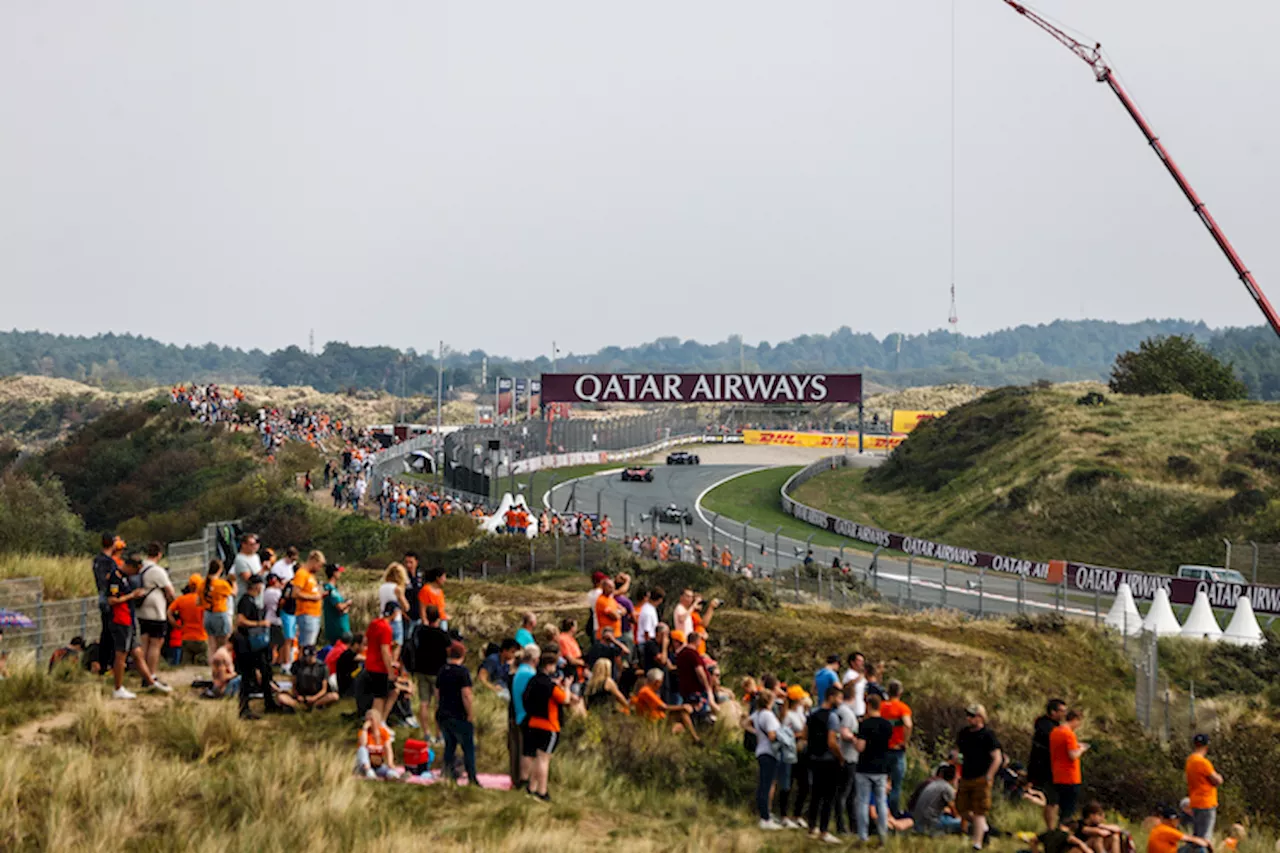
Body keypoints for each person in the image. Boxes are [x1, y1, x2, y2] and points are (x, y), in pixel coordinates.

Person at [105, 556, 171, 699]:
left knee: (138, 653)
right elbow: (111, 600)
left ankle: (150, 682)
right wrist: (131, 596)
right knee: (121, 654)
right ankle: (118, 688)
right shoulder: (115, 577)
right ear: (130, 566)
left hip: (129, 619)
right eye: (136, 571)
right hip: (120, 620)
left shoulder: (124, 577)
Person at [523, 651, 569, 802]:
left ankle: (532, 786)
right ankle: (542, 791)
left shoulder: (532, 681)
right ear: (549, 665)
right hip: (549, 725)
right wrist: (566, 686)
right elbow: (564, 699)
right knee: (544, 759)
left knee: (537, 757)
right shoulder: (550, 685)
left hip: (533, 722)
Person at [956, 704, 1003, 851]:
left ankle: (977, 843)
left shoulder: (988, 735)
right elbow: (958, 752)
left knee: (979, 810)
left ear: (980, 717)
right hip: (966, 776)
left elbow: (997, 758)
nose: (969, 719)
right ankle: (984, 828)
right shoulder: (963, 733)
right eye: (968, 716)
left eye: (972, 716)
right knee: (962, 808)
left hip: (981, 777)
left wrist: (989, 776)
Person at [234, 574, 278, 719]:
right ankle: (244, 708)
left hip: (256, 644)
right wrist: (260, 624)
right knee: (247, 676)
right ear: (257, 586)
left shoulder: (252, 601)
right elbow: (240, 621)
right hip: (247, 644)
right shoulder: (246, 601)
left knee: (265, 672)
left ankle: (269, 702)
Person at [436, 641, 480, 787]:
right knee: (468, 747)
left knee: (450, 745)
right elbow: (466, 694)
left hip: (443, 714)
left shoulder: (442, 670)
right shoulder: (463, 672)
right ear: (462, 655)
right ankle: (472, 777)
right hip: (459, 714)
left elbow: (437, 693)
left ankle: (447, 773)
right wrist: (470, 713)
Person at [806, 685, 846, 844]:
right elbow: (832, 742)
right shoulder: (833, 717)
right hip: (829, 760)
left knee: (815, 795)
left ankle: (811, 827)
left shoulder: (812, 714)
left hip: (813, 758)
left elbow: (804, 734)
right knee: (828, 797)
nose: (840, 701)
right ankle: (824, 830)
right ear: (831, 697)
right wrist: (840, 757)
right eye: (839, 698)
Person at [855, 693, 894, 843]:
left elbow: (860, 747)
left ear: (868, 705)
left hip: (865, 767)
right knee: (881, 802)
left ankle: (863, 836)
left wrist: (854, 740)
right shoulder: (887, 725)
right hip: (882, 768)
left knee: (863, 802)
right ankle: (883, 835)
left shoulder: (865, 725)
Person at [135, 542, 176, 677]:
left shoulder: (140, 567)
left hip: (141, 610)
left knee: (144, 641)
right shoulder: (158, 571)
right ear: (159, 554)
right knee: (156, 643)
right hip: (156, 611)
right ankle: (151, 674)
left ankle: (143, 672)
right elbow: (170, 591)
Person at [746, 690, 784, 830]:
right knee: (766, 785)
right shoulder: (768, 715)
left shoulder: (757, 714)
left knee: (763, 783)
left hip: (761, 750)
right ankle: (765, 818)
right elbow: (772, 735)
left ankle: (764, 814)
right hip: (769, 751)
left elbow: (745, 722)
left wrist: (755, 732)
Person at [412, 605, 451, 742]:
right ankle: (439, 733)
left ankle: (426, 732)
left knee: (424, 702)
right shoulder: (442, 634)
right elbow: (449, 650)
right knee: (439, 704)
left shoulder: (420, 631)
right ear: (438, 618)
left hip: (421, 669)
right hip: (437, 672)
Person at [631, 669, 700, 744]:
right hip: (653, 720)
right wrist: (683, 707)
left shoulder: (649, 691)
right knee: (682, 713)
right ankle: (695, 739)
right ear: (657, 682)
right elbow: (663, 707)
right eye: (661, 682)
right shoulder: (646, 691)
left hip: (657, 718)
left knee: (681, 724)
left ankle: (687, 740)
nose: (661, 685)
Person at [1031, 699, 1068, 829]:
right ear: (1053, 712)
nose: (1064, 714)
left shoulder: (1052, 726)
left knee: (1054, 800)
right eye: (1062, 711)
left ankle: (1054, 827)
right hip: (1046, 768)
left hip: (1053, 767)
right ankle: (1051, 829)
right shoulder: (1046, 727)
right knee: (1051, 800)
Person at [777, 685, 810, 829]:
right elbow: (785, 733)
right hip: (792, 751)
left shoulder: (800, 712)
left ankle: (797, 814)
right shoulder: (788, 715)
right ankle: (784, 815)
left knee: (804, 784)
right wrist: (801, 734)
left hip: (803, 752)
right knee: (788, 783)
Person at [882, 678, 913, 817]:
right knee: (896, 785)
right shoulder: (903, 708)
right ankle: (893, 814)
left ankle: (880, 813)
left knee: (881, 785)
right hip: (896, 749)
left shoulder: (881, 706)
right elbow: (908, 724)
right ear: (900, 692)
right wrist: (905, 741)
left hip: (881, 749)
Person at [1051, 711, 1089, 824]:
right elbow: (1073, 755)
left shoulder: (1055, 731)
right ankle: (1064, 831)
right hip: (1070, 776)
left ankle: (1058, 829)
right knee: (1068, 809)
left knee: (1061, 806)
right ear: (1075, 719)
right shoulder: (1069, 734)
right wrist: (1082, 749)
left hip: (1057, 774)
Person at [1185, 734, 1223, 849]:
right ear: (1206, 746)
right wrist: (1219, 777)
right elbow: (1216, 780)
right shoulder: (1203, 763)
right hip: (1206, 802)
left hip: (1195, 801)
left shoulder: (1190, 760)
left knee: (1196, 837)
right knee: (1205, 838)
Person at [276, 645, 340, 711]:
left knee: (334, 696)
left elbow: (324, 689)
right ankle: (298, 706)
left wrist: (314, 698)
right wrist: (298, 696)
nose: (310, 658)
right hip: (301, 695)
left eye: (312, 656)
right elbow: (294, 685)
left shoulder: (322, 667)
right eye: (308, 656)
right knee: (281, 697)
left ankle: (315, 705)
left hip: (317, 695)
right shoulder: (297, 665)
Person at [833, 680, 860, 836]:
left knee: (848, 794)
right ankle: (842, 827)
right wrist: (856, 739)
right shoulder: (848, 713)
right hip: (848, 757)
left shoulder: (838, 711)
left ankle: (852, 825)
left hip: (840, 756)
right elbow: (844, 733)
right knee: (845, 794)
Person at [510, 644, 539, 789]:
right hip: (527, 714)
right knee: (529, 751)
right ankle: (525, 779)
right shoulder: (529, 674)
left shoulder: (520, 671)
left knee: (523, 749)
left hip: (520, 713)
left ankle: (522, 779)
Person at [92, 533, 121, 675]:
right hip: (109, 598)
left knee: (106, 631)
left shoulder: (97, 560)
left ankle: (104, 663)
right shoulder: (108, 562)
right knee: (111, 632)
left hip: (102, 596)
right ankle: (108, 663)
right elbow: (111, 580)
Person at [364, 601, 398, 720]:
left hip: (369, 663)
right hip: (379, 667)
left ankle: (380, 721)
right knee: (380, 697)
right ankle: (375, 724)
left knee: (391, 691)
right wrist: (390, 671)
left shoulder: (374, 623)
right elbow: (385, 651)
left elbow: (366, 640)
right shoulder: (386, 628)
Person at [674, 630, 717, 721]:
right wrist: (707, 688)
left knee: (690, 712)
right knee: (700, 713)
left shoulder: (681, 654)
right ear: (697, 641)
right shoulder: (693, 654)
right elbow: (700, 672)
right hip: (696, 690)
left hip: (685, 689)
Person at [200, 558, 236, 664]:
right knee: (224, 643)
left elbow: (198, 601)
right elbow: (233, 593)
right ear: (220, 570)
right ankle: (224, 663)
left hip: (207, 614)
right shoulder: (222, 584)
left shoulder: (202, 584)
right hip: (220, 614)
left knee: (211, 643)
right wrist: (233, 582)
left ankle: (213, 664)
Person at [912, 764, 962, 835]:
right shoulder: (947, 788)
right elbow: (955, 812)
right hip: (931, 824)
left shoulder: (933, 784)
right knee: (963, 823)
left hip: (918, 822)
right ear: (954, 778)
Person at [356, 707, 403, 780]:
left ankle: (395, 776)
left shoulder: (383, 732)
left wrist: (390, 763)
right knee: (362, 749)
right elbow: (363, 744)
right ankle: (368, 771)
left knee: (388, 771)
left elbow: (388, 748)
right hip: (364, 765)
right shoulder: (363, 733)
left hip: (377, 764)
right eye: (367, 720)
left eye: (371, 719)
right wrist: (365, 728)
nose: (369, 722)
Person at [167, 580, 208, 665]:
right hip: (202, 637)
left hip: (186, 638)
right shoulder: (203, 599)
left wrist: (175, 624)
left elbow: (169, 612)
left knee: (186, 667)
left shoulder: (181, 599)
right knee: (203, 665)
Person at [291, 551, 325, 650]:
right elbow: (295, 593)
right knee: (306, 644)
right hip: (306, 613)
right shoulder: (301, 574)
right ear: (314, 561)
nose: (319, 568)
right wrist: (313, 597)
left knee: (311, 644)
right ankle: (303, 663)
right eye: (319, 565)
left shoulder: (310, 575)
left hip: (315, 613)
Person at [1147, 806, 1212, 853]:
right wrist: (1207, 843)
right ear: (1167, 820)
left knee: (1192, 846)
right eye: (1174, 819)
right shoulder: (1166, 830)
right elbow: (1189, 839)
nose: (1177, 821)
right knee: (1199, 848)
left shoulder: (1159, 828)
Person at [378, 563, 411, 650]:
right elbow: (406, 606)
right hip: (395, 621)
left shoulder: (382, 587)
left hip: (382, 619)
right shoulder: (397, 589)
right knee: (397, 645)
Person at [321, 563, 351, 645]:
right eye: (338, 572)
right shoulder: (330, 589)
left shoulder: (333, 589)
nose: (340, 574)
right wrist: (348, 603)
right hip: (338, 628)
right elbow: (339, 607)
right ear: (334, 573)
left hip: (340, 625)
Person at [231, 534, 263, 609]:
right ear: (243, 545)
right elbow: (250, 580)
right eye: (251, 544)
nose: (254, 547)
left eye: (255, 544)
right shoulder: (240, 559)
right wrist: (263, 570)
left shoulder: (256, 556)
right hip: (246, 601)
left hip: (258, 599)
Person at [556, 618, 586, 686]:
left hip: (579, 674)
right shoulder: (563, 639)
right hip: (572, 675)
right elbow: (570, 659)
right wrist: (584, 663)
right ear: (572, 627)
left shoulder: (571, 638)